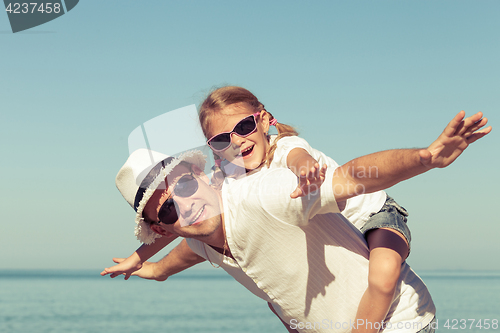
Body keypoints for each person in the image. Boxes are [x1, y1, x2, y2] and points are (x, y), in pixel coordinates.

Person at [106, 109, 490, 332]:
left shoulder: (265, 193)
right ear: (161, 227)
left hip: (400, 324)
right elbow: (189, 253)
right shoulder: (199, 239)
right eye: (169, 210)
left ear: (203, 175)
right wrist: (153, 268)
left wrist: (426, 157)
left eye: (185, 184)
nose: (186, 205)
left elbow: (351, 177)